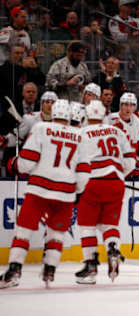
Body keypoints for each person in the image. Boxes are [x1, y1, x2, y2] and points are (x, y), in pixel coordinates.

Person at [0, 99, 88, 288]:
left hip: (39, 189)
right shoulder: (80, 135)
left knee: (24, 230)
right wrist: (77, 191)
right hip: (65, 193)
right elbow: (83, 171)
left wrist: (13, 164)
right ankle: (50, 269)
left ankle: (14, 270)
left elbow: (27, 162)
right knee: (57, 234)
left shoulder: (41, 128)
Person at [75, 100, 136, 284]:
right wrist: (119, 174)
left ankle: (91, 268)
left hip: (92, 182)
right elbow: (131, 160)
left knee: (87, 226)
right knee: (109, 225)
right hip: (116, 182)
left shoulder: (81, 133)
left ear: (87, 115)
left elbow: (74, 162)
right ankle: (112, 248)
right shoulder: (117, 131)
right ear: (103, 115)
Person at [106, 92, 139, 176]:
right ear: (120, 105)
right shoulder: (110, 119)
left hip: (130, 160)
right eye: (126, 104)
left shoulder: (137, 121)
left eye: (132, 105)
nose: (128, 108)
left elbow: (138, 144)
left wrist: (137, 160)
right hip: (114, 160)